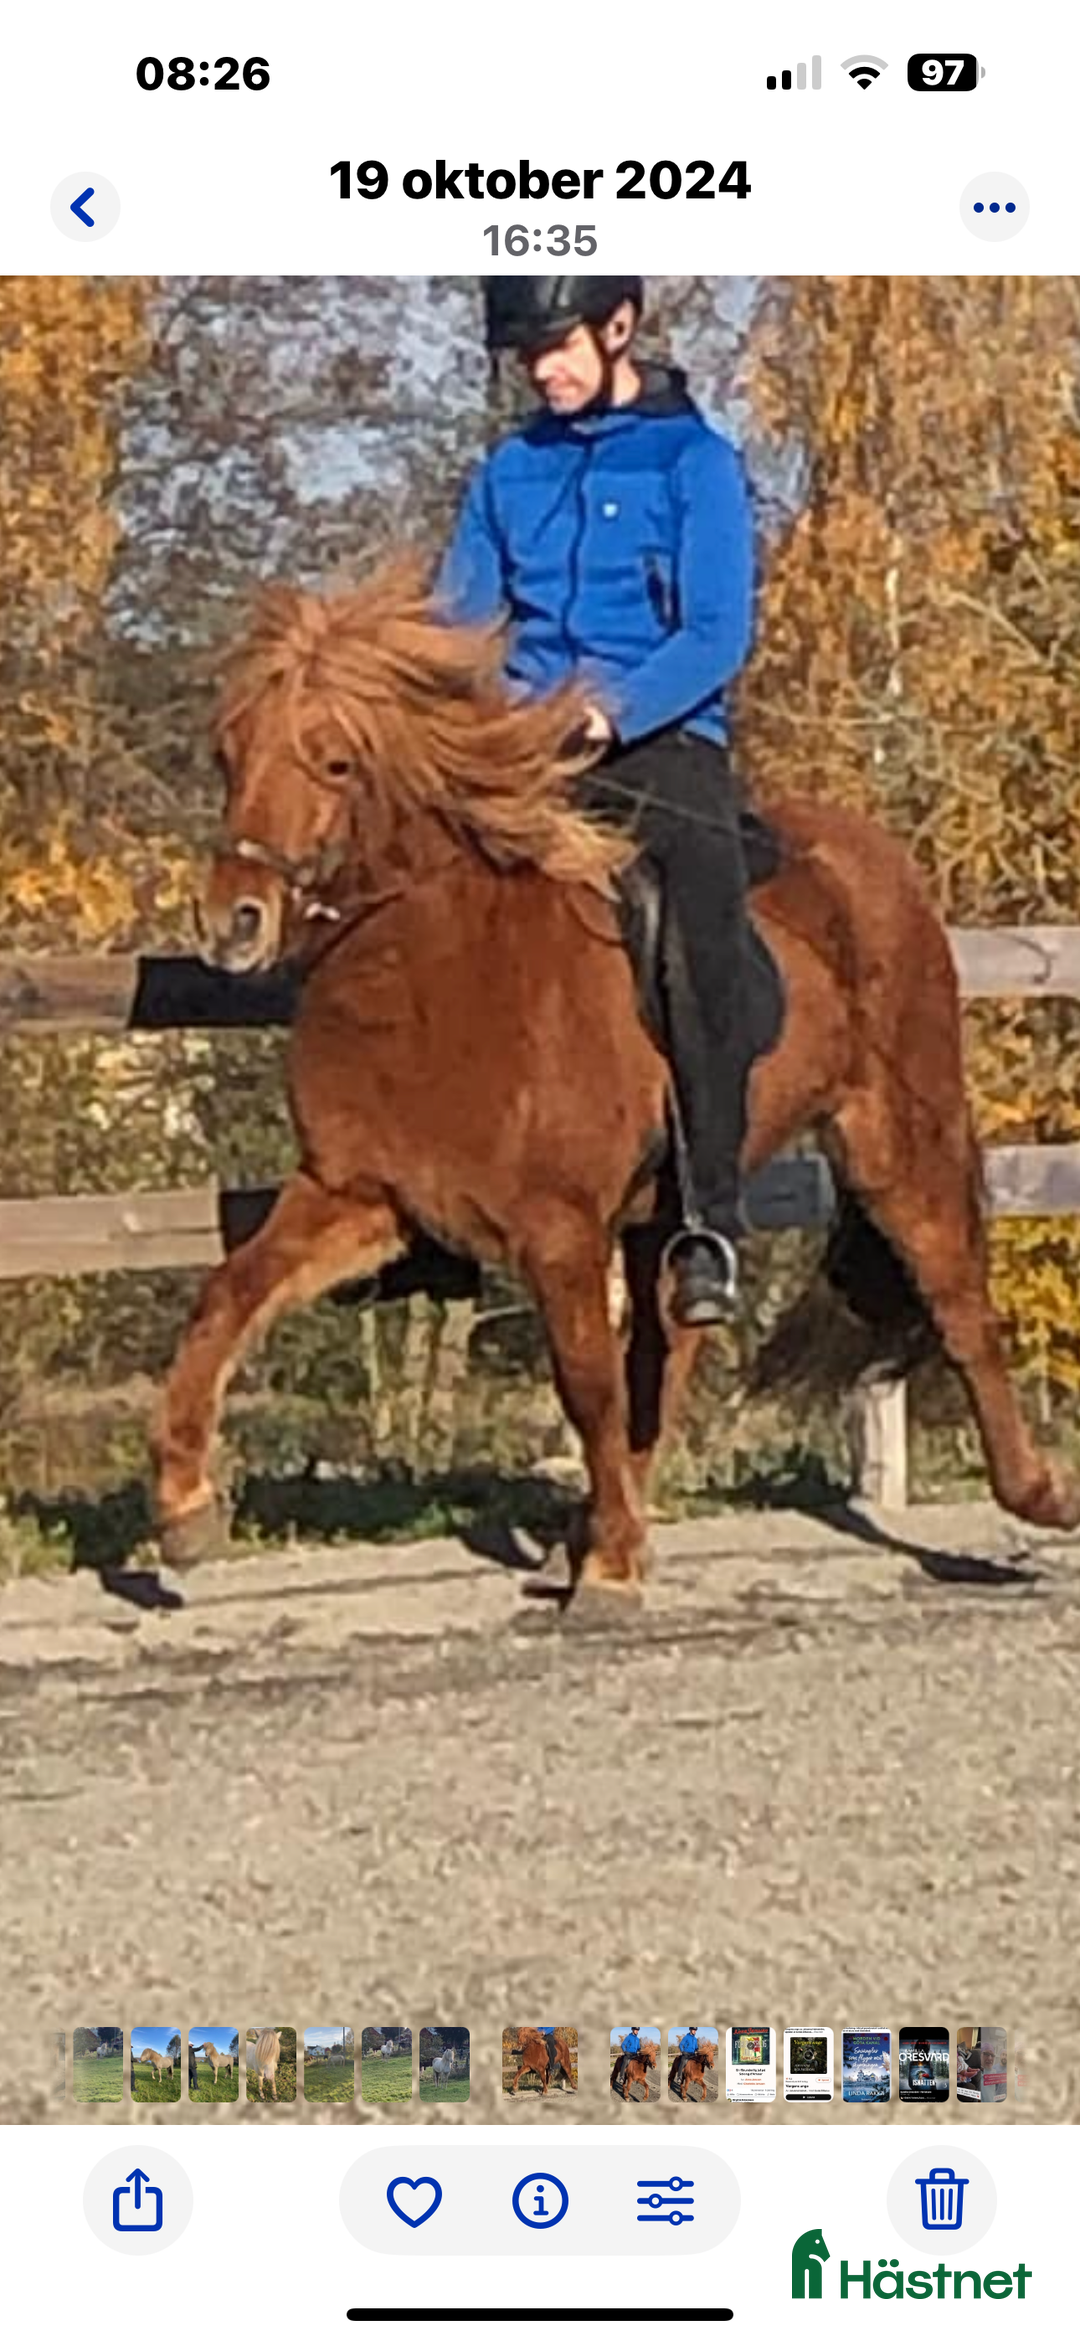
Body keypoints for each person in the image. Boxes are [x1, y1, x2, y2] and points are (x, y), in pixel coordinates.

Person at [437, 276, 779, 1326]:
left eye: (558, 346)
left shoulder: (696, 464)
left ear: (618, 328)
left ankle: (709, 1216)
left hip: (659, 741)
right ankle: (424, 1192)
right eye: (527, 354)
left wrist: (609, 713)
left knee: (691, 933)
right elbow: (458, 617)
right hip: (526, 748)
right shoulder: (509, 470)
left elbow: (715, 633)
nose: (543, 370)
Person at [670, 2023, 700, 2097]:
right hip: (686, 2053)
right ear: (690, 2030)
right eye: (693, 2030)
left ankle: (695, 2076)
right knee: (683, 2061)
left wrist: (698, 2050)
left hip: (692, 2054)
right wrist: (683, 2051)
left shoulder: (695, 2039)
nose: (694, 2031)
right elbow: (681, 2045)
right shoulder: (686, 2037)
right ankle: (679, 2077)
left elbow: (696, 2047)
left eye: (695, 2030)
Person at [612, 2023, 643, 2094]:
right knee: (625, 2061)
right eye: (635, 2030)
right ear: (632, 2030)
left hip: (635, 2054)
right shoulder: (629, 2037)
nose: (636, 2031)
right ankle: (622, 2076)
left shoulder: (637, 2039)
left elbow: (638, 2047)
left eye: (637, 2030)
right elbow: (623, 2044)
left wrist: (640, 2050)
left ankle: (637, 2076)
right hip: (628, 2053)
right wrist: (625, 2051)